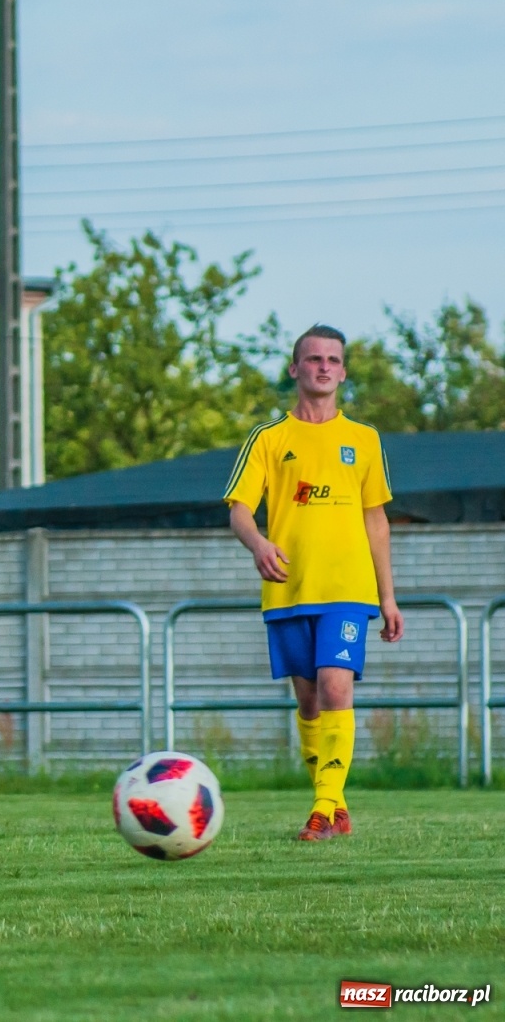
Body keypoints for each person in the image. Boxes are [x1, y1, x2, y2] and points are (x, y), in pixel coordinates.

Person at [224, 324, 403, 841]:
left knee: (334, 687)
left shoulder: (363, 439)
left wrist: (388, 597)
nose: (324, 366)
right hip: (288, 589)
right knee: (308, 701)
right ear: (294, 369)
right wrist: (258, 545)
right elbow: (239, 510)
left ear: (343, 372)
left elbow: (377, 521)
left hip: (348, 589)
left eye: (333, 360)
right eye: (314, 359)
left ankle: (322, 811)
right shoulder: (269, 438)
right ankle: (337, 803)